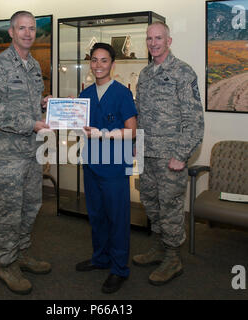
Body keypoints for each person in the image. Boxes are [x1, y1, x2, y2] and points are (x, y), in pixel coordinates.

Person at [0, 10, 51, 295]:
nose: (27, 33)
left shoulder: (34, 66)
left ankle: (22, 254)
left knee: (31, 206)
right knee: (9, 211)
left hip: (32, 153)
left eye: (32, 29)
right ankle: (6, 263)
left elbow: (32, 105)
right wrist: (30, 124)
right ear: (11, 32)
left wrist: (45, 105)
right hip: (8, 155)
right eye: (21, 28)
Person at [133, 21, 204, 286]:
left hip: (171, 157)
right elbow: (139, 113)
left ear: (169, 41)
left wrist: (182, 154)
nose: (153, 43)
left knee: (171, 207)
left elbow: (194, 120)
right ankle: (160, 247)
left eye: (158, 38)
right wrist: (136, 145)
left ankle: (173, 258)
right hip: (147, 154)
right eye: (149, 38)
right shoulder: (145, 74)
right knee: (151, 204)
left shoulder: (183, 72)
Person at [75, 43, 137, 294]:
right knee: (97, 215)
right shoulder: (85, 94)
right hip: (91, 164)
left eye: (104, 60)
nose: (98, 65)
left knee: (117, 218)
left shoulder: (122, 93)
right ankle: (100, 258)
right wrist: (66, 111)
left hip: (114, 166)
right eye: (94, 60)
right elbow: (79, 126)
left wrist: (104, 133)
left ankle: (119, 268)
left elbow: (132, 131)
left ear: (113, 64)